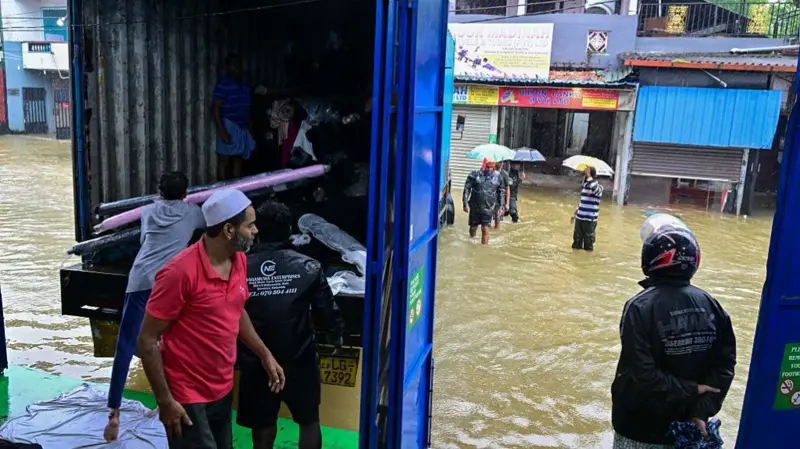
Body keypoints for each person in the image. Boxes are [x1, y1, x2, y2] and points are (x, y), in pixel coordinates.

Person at [137, 188, 285, 449]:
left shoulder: (238, 260)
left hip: (222, 388)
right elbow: (147, 340)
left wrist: (265, 354)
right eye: (250, 225)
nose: (256, 231)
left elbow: (236, 311)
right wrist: (165, 402)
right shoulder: (179, 273)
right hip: (186, 397)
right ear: (229, 230)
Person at [611, 216, 736, 448]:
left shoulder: (639, 307)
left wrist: (691, 390)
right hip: (690, 423)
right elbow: (725, 366)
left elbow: (643, 374)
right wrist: (701, 410)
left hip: (640, 425)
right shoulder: (712, 304)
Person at [104, 172, 205, 442]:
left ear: (159, 192)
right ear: (186, 193)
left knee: (126, 345)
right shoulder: (193, 212)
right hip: (169, 281)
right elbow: (208, 226)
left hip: (140, 279)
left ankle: (114, 411)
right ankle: (178, 399)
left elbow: (143, 241)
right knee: (174, 340)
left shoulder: (147, 211)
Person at [238, 200, 345, 449]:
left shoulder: (238, 267)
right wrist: (334, 336)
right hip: (299, 358)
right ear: (289, 231)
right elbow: (326, 311)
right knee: (308, 421)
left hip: (256, 361)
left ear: (258, 230)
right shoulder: (308, 266)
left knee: (262, 426)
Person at [213, 53, 256, 181]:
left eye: (237, 65)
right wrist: (222, 130)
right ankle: (221, 190)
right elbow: (215, 107)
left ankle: (237, 191)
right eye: (232, 65)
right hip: (229, 125)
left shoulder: (245, 86)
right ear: (228, 67)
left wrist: (250, 129)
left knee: (239, 159)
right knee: (225, 160)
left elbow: (247, 108)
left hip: (242, 126)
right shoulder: (224, 84)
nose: (235, 68)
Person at [463, 159, 503, 245]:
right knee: (473, 227)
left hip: (489, 207)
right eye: (488, 167)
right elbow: (467, 189)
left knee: (485, 229)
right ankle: (471, 239)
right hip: (475, 207)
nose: (490, 170)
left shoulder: (498, 176)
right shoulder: (474, 175)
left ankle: (483, 249)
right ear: (483, 165)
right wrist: (465, 203)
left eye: (492, 168)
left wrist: (501, 206)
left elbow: (501, 192)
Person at [571, 166, 603, 251]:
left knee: (588, 243)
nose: (584, 176)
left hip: (590, 220)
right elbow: (582, 202)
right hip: (579, 218)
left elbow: (595, 190)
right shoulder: (585, 187)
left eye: (585, 174)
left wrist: (589, 176)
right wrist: (574, 214)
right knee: (576, 241)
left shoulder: (599, 188)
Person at [493, 162, 511, 229]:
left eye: (501, 162)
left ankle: (496, 231)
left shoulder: (505, 174)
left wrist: (507, 203)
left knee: (498, 219)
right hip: (491, 198)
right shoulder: (491, 172)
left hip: (501, 199)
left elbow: (507, 189)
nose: (500, 164)